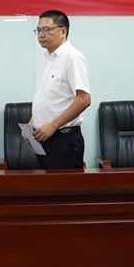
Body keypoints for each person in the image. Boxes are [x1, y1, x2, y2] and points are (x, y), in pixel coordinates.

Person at [27, 10, 91, 169]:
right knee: (45, 184)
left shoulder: (72, 57)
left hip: (63, 140)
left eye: (47, 29)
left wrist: (53, 125)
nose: (41, 34)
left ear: (63, 31)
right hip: (43, 138)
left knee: (63, 185)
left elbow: (84, 99)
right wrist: (32, 122)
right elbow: (49, 98)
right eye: (38, 30)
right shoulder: (48, 58)